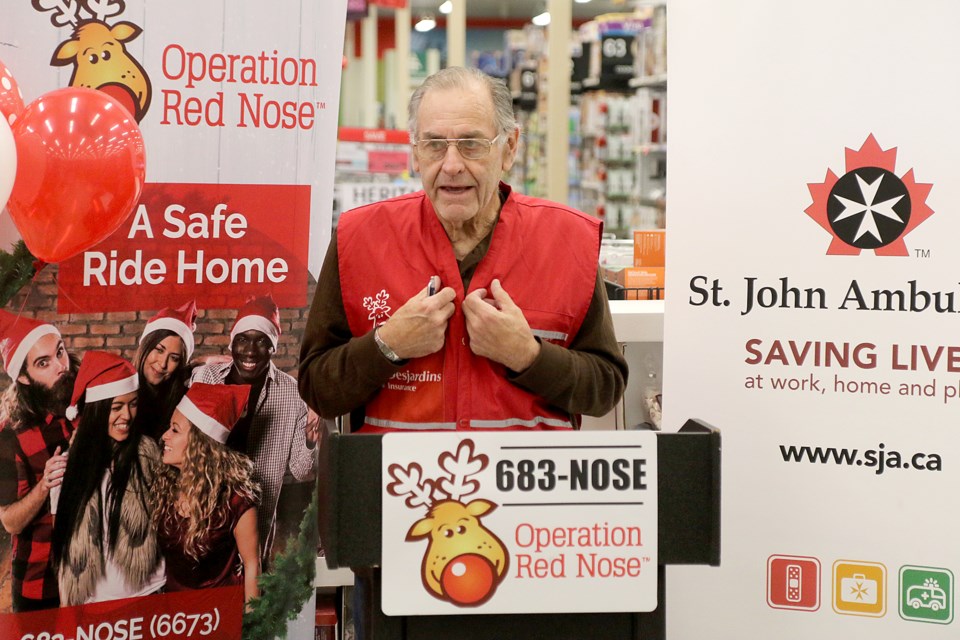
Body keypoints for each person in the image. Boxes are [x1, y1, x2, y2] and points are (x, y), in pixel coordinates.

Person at [298, 66, 628, 433]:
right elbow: (317, 389)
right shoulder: (358, 238)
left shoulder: (567, 240)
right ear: (416, 154)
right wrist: (387, 345)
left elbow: (605, 388)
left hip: (525, 486)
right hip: (398, 485)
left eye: (471, 144)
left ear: (510, 148)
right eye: (435, 145)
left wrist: (528, 355)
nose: (452, 165)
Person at [190, 294, 317, 566]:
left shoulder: (293, 394)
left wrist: (309, 439)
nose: (250, 350)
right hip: (205, 513)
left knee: (249, 599)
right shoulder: (208, 378)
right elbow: (190, 445)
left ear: (273, 348)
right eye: (243, 339)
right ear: (232, 343)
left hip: (258, 520)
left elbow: (301, 470)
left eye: (261, 341)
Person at [51, 351, 165, 605]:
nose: (127, 415)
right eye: (116, 407)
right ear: (97, 411)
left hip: (145, 594)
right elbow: (65, 552)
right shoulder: (67, 467)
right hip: (95, 603)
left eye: (133, 404)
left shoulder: (148, 454)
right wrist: (65, 609)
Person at [152, 382, 260, 604]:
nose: (164, 436)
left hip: (220, 613)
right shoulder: (165, 486)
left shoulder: (236, 500)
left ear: (199, 444)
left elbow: (252, 565)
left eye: (175, 429)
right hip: (176, 616)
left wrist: (253, 626)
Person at [0, 311, 77, 611]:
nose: (60, 367)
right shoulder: (9, 436)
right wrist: (45, 484)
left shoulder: (83, 396)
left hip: (92, 576)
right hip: (40, 578)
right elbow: (10, 522)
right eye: (43, 363)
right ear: (23, 376)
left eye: (60, 352)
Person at [133, 301, 197, 441]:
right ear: (145, 346)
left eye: (174, 358)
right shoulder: (120, 388)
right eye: (159, 350)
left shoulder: (184, 402)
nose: (162, 364)